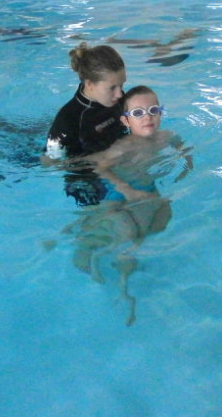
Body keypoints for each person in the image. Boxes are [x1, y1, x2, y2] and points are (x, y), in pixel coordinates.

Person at [63, 85, 192, 325]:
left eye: (153, 110)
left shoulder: (167, 136)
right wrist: (126, 190)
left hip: (146, 189)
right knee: (126, 230)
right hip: (116, 191)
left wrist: (186, 162)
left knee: (162, 218)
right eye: (138, 113)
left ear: (161, 112)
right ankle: (89, 247)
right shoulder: (124, 147)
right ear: (125, 121)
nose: (147, 117)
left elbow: (181, 146)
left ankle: (126, 266)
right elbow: (101, 168)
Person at [43, 42, 128, 205]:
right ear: (89, 84)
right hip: (84, 178)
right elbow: (50, 162)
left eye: (122, 85)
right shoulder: (68, 119)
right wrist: (95, 159)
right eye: (112, 88)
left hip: (114, 166)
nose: (119, 94)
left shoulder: (118, 100)